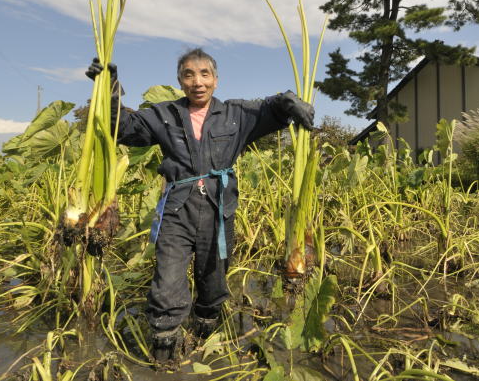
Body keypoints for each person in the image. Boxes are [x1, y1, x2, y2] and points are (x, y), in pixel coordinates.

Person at [86, 48, 314, 362]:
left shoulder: (235, 114)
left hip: (219, 211)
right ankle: (164, 348)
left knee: (214, 279)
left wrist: (289, 100)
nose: (197, 81)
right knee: (167, 279)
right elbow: (123, 128)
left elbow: (271, 108)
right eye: (189, 75)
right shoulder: (164, 114)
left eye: (204, 74)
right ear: (180, 81)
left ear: (216, 80)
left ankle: (205, 332)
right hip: (177, 210)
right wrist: (108, 88)